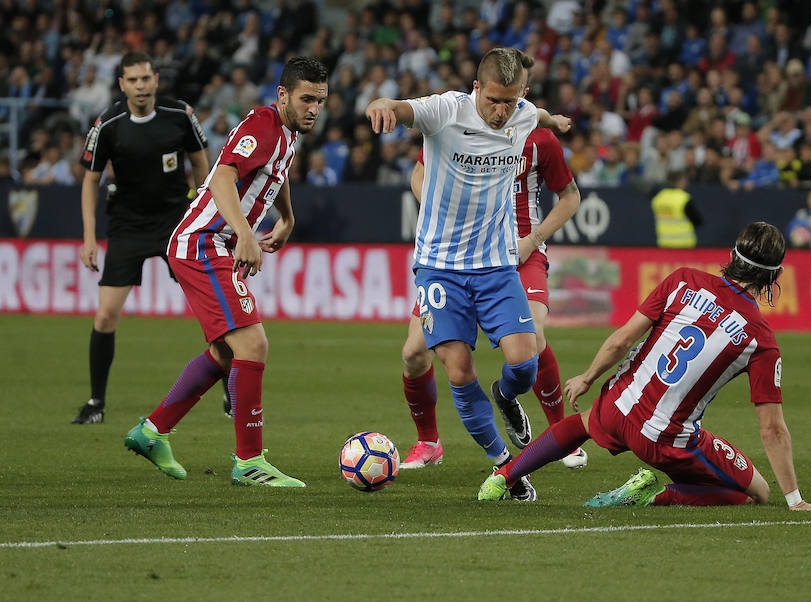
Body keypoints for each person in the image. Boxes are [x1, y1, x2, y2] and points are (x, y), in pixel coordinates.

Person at [479, 222, 811, 511]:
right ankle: (654, 495)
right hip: (665, 439)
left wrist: (588, 377)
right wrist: (796, 499)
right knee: (755, 492)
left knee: (582, 423)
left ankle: (504, 476)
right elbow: (772, 429)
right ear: (773, 276)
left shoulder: (683, 279)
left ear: (733, 256)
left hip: (619, 404)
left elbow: (622, 340)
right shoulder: (760, 338)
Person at [365, 48, 571, 500]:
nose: (500, 112)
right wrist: (384, 106)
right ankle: (505, 467)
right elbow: (405, 110)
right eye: (493, 100)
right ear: (477, 88)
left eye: (510, 102)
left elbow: (536, 114)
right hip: (440, 268)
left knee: (524, 361)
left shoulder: (522, 114)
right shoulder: (446, 110)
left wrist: (553, 121)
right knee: (457, 370)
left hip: (497, 265)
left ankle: (505, 394)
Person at [123, 57, 328, 487]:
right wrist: (245, 234)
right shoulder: (263, 123)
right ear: (283, 95)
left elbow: (277, 172)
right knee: (253, 342)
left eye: (321, 101)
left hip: (214, 244)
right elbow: (222, 179)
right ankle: (249, 461)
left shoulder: (286, 134)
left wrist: (286, 218)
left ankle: (151, 431)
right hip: (204, 242)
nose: (314, 108)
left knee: (227, 352)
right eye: (307, 98)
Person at [400, 127, 584, 472]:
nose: (504, 106)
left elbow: (570, 197)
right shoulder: (456, 125)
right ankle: (428, 442)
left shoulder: (540, 139)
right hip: (455, 258)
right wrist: (443, 211)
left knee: (534, 337)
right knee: (413, 352)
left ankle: (560, 434)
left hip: (520, 253)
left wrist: (533, 239)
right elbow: (420, 175)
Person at [73, 52, 210, 424]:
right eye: (132, 80)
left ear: (155, 79)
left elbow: (201, 160)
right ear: (121, 84)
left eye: (146, 79)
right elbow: (90, 180)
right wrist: (89, 237)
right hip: (127, 226)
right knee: (105, 316)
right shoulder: (108, 124)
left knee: (212, 312)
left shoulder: (180, 114)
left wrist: (203, 206)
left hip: (176, 223)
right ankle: (95, 403)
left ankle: (231, 395)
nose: (140, 86)